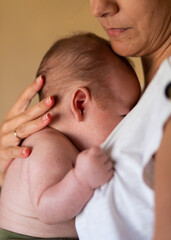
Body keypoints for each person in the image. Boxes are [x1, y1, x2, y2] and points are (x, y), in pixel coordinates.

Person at [0, 0, 170, 239]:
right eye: (124, 115)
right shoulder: (48, 146)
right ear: (80, 104)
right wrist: (81, 179)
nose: (97, 8)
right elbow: (47, 209)